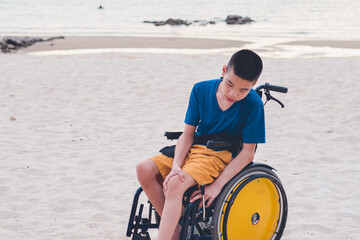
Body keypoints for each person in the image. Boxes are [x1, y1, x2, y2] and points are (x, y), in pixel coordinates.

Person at [136, 49, 265, 240]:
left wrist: (217, 187)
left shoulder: (253, 104)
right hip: (195, 147)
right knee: (144, 169)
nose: (233, 93)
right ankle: (175, 229)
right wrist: (176, 166)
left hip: (220, 153)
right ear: (223, 71)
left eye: (243, 90)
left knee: (174, 185)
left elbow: (248, 153)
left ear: (253, 85)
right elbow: (187, 135)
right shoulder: (200, 90)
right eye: (230, 83)